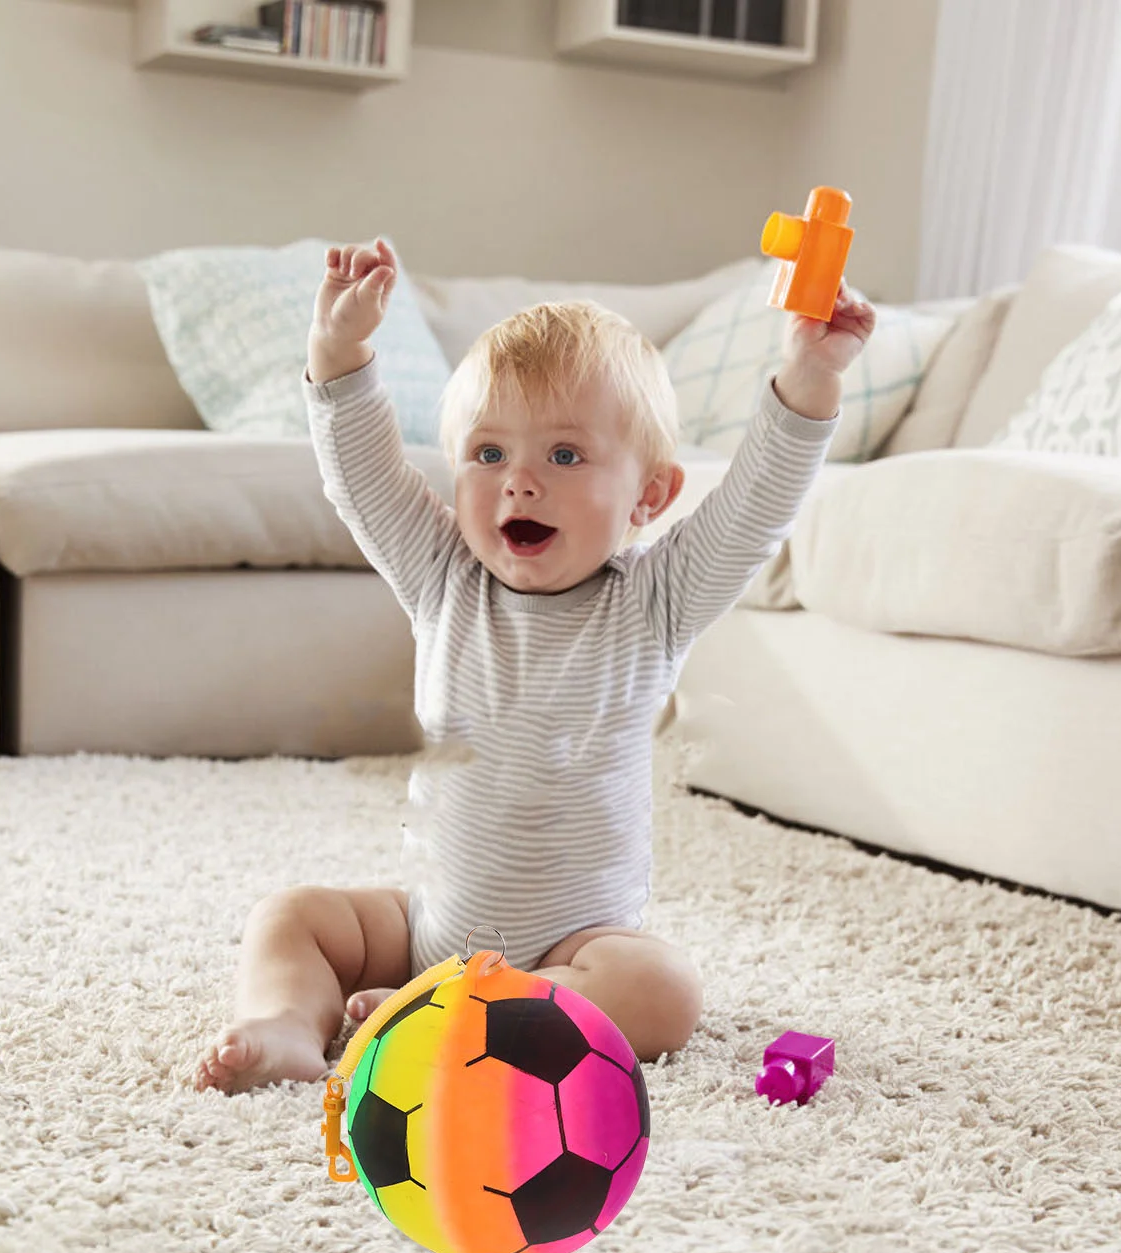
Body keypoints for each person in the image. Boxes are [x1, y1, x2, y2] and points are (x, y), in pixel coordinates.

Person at [196, 236, 874, 1093]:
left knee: (662, 991)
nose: (518, 483)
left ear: (649, 497)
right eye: (488, 454)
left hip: (573, 949)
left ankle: (454, 1016)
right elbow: (362, 478)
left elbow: (755, 507)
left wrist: (810, 380)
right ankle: (287, 1023)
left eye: (563, 455)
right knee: (290, 917)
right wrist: (339, 354)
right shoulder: (444, 576)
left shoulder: (655, 601)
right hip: (430, 928)